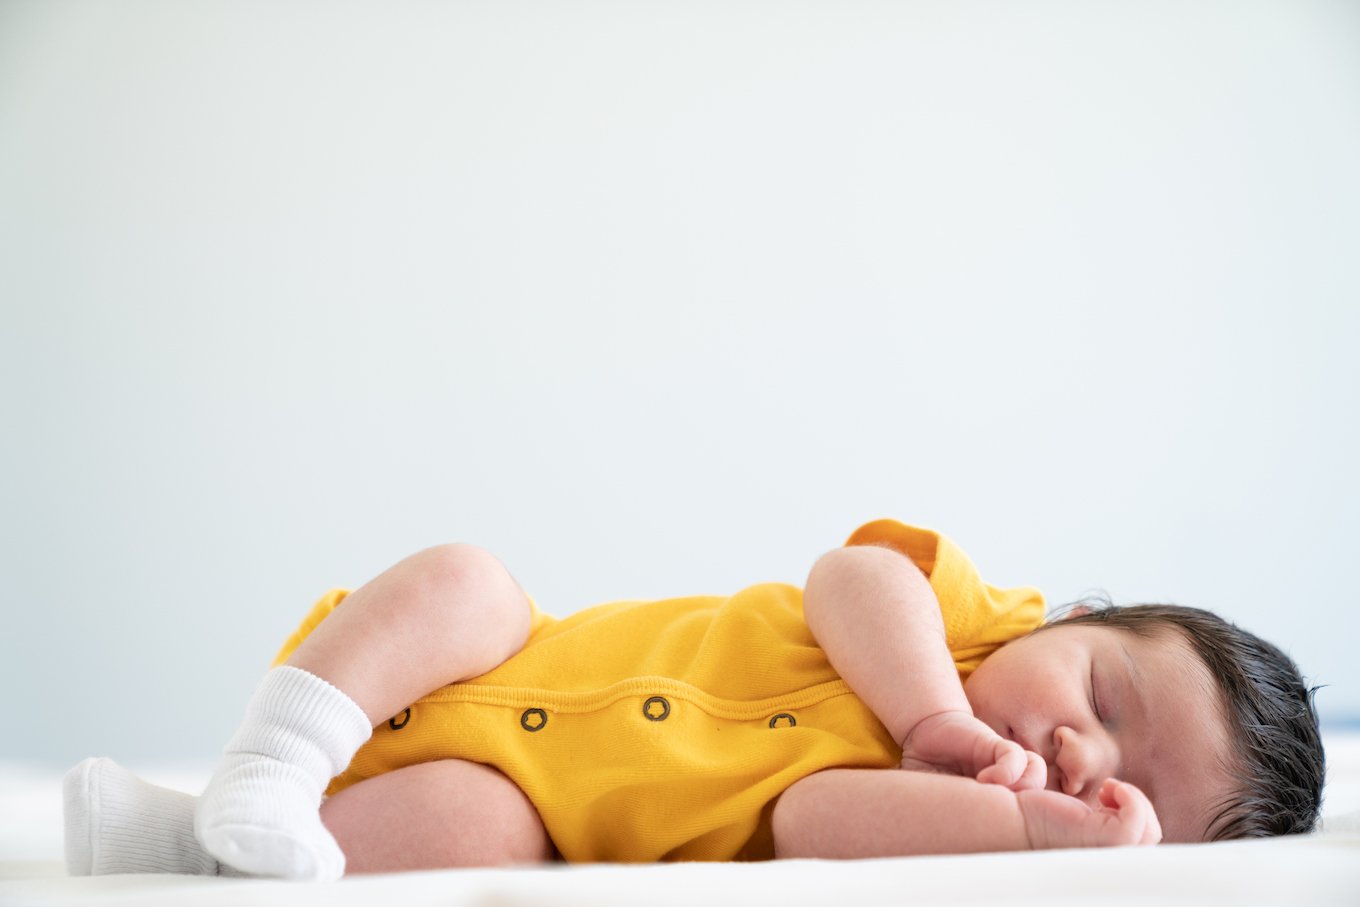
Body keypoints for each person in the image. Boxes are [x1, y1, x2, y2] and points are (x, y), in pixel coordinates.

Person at [62, 519, 1325, 880]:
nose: (1071, 742)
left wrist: (1029, 826)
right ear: (1067, 622)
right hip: (474, 662)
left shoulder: (951, 814)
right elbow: (852, 573)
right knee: (469, 576)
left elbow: (810, 824)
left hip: (522, 792)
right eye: (1103, 690)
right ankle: (277, 755)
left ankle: (187, 839)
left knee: (487, 833)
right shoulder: (965, 622)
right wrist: (933, 713)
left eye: (1124, 782)